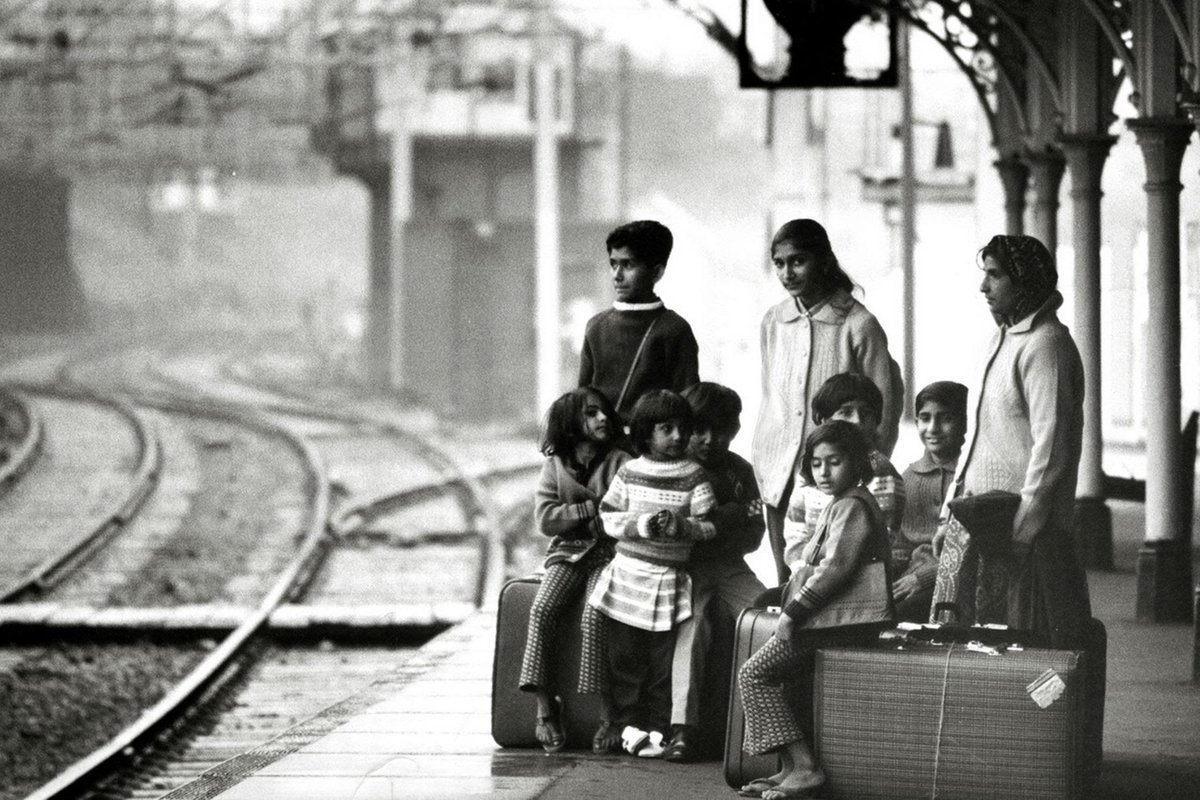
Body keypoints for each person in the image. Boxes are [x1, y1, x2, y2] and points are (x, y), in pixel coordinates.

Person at [934, 234, 1090, 648]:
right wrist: (952, 511)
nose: (984, 286)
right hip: (981, 522)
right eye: (984, 274)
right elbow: (981, 437)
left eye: (995, 275)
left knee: (1020, 649)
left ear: (1024, 280)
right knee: (969, 651)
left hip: (1023, 534)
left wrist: (1024, 529)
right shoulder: (1001, 340)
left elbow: (1053, 448)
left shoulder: (1046, 345)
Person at [738, 420, 895, 800]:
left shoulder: (852, 506)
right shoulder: (841, 503)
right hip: (831, 620)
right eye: (817, 463)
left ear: (857, 462)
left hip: (835, 623)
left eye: (835, 461)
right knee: (772, 678)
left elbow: (835, 568)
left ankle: (805, 768)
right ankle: (790, 769)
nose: (824, 472)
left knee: (754, 674)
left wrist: (792, 612)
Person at [752, 219, 902, 586]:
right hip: (780, 477)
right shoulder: (774, 321)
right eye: (780, 263)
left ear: (824, 261)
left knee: (833, 584)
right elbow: (772, 398)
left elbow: (884, 408)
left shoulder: (858, 324)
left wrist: (865, 471)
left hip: (837, 478)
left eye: (798, 261)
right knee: (788, 582)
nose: (788, 272)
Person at [588, 390, 717, 758]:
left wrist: (683, 528)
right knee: (625, 659)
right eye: (666, 428)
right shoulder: (630, 472)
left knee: (663, 663)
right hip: (629, 577)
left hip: (669, 579)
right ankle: (626, 726)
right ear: (645, 432)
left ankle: (659, 730)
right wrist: (642, 524)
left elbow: (709, 526)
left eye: (682, 428)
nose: (677, 436)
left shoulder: (694, 475)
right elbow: (609, 517)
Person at [518, 388, 630, 754]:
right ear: (570, 423)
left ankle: (610, 713)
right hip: (567, 553)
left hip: (610, 556)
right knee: (542, 610)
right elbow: (544, 519)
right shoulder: (554, 465)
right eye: (590, 414)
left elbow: (624, 513)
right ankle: (545, 706)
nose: (602, 419)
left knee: (595, 616)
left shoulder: (620, 462)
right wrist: (586, 512)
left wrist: (588, 514)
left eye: (604, 413)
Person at [664, 382, 766, 763]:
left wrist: (714, 526)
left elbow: (754, 534)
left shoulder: (741, 472)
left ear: (734, 431)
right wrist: (729, 517)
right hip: (686, 568)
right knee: (693, 628)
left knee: (764, 615)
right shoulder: (672, 469)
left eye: (720, 431)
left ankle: (764, 728)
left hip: (729, 565)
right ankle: (683, 730)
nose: (709, 439)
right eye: (699, 430)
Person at [779, 373, 904, 585]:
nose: (857, 421)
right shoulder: (813, 467)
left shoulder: (879, 471)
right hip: (810, 575)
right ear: (822, 420)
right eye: (845, 413)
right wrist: (801, 568)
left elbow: (884, 537)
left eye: (866, 413)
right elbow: (795, 525)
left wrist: (822, 578)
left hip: (857, 582)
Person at [578, 220, 700, 416]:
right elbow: (582, 400)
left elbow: (686, 403)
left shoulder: (674, 329)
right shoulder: (596, 326)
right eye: (613, 264)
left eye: (628, 265)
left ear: (657, 272)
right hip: (603, 443)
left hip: (654, 444)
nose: (617, 275)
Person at [894, 381, 967, 622]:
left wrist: (922, 578)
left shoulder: (971, 477)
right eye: (925, 418)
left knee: (900, 615)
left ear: (965, 422)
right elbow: (902, 544)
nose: (932, 428)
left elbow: (968, 551)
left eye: (945, 418)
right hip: (910, 578)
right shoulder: (908, 477)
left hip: (953, 582)